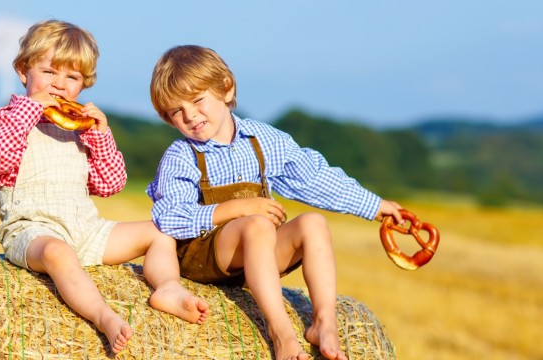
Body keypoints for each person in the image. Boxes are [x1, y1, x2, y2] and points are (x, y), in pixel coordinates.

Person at [146, 45, 405, 360]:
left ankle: (323, 321)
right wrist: (238, 209)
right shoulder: (181, 155)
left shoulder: (262, 139)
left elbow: (314, 178)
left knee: (312, 223)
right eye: (176, 111)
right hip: (205, 259)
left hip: (258, 259)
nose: (190, 115)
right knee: (256, 224)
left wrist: (375, 206)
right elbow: (168, 217)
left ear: (226, 89)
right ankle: (281, 333)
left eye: (198, 100)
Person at [0, 20, 209, 355]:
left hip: (86, 229)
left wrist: (100, 135)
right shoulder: (3, 120)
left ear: (84, 84)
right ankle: (104, 317)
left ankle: (169, 289)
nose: (58, 85)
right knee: (58, 253)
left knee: (160, 231)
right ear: (23, 71)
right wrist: (29, 110)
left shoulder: (79, 128)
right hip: (33, 231)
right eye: (49, 72)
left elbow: (111, 183)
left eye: (72, 78)